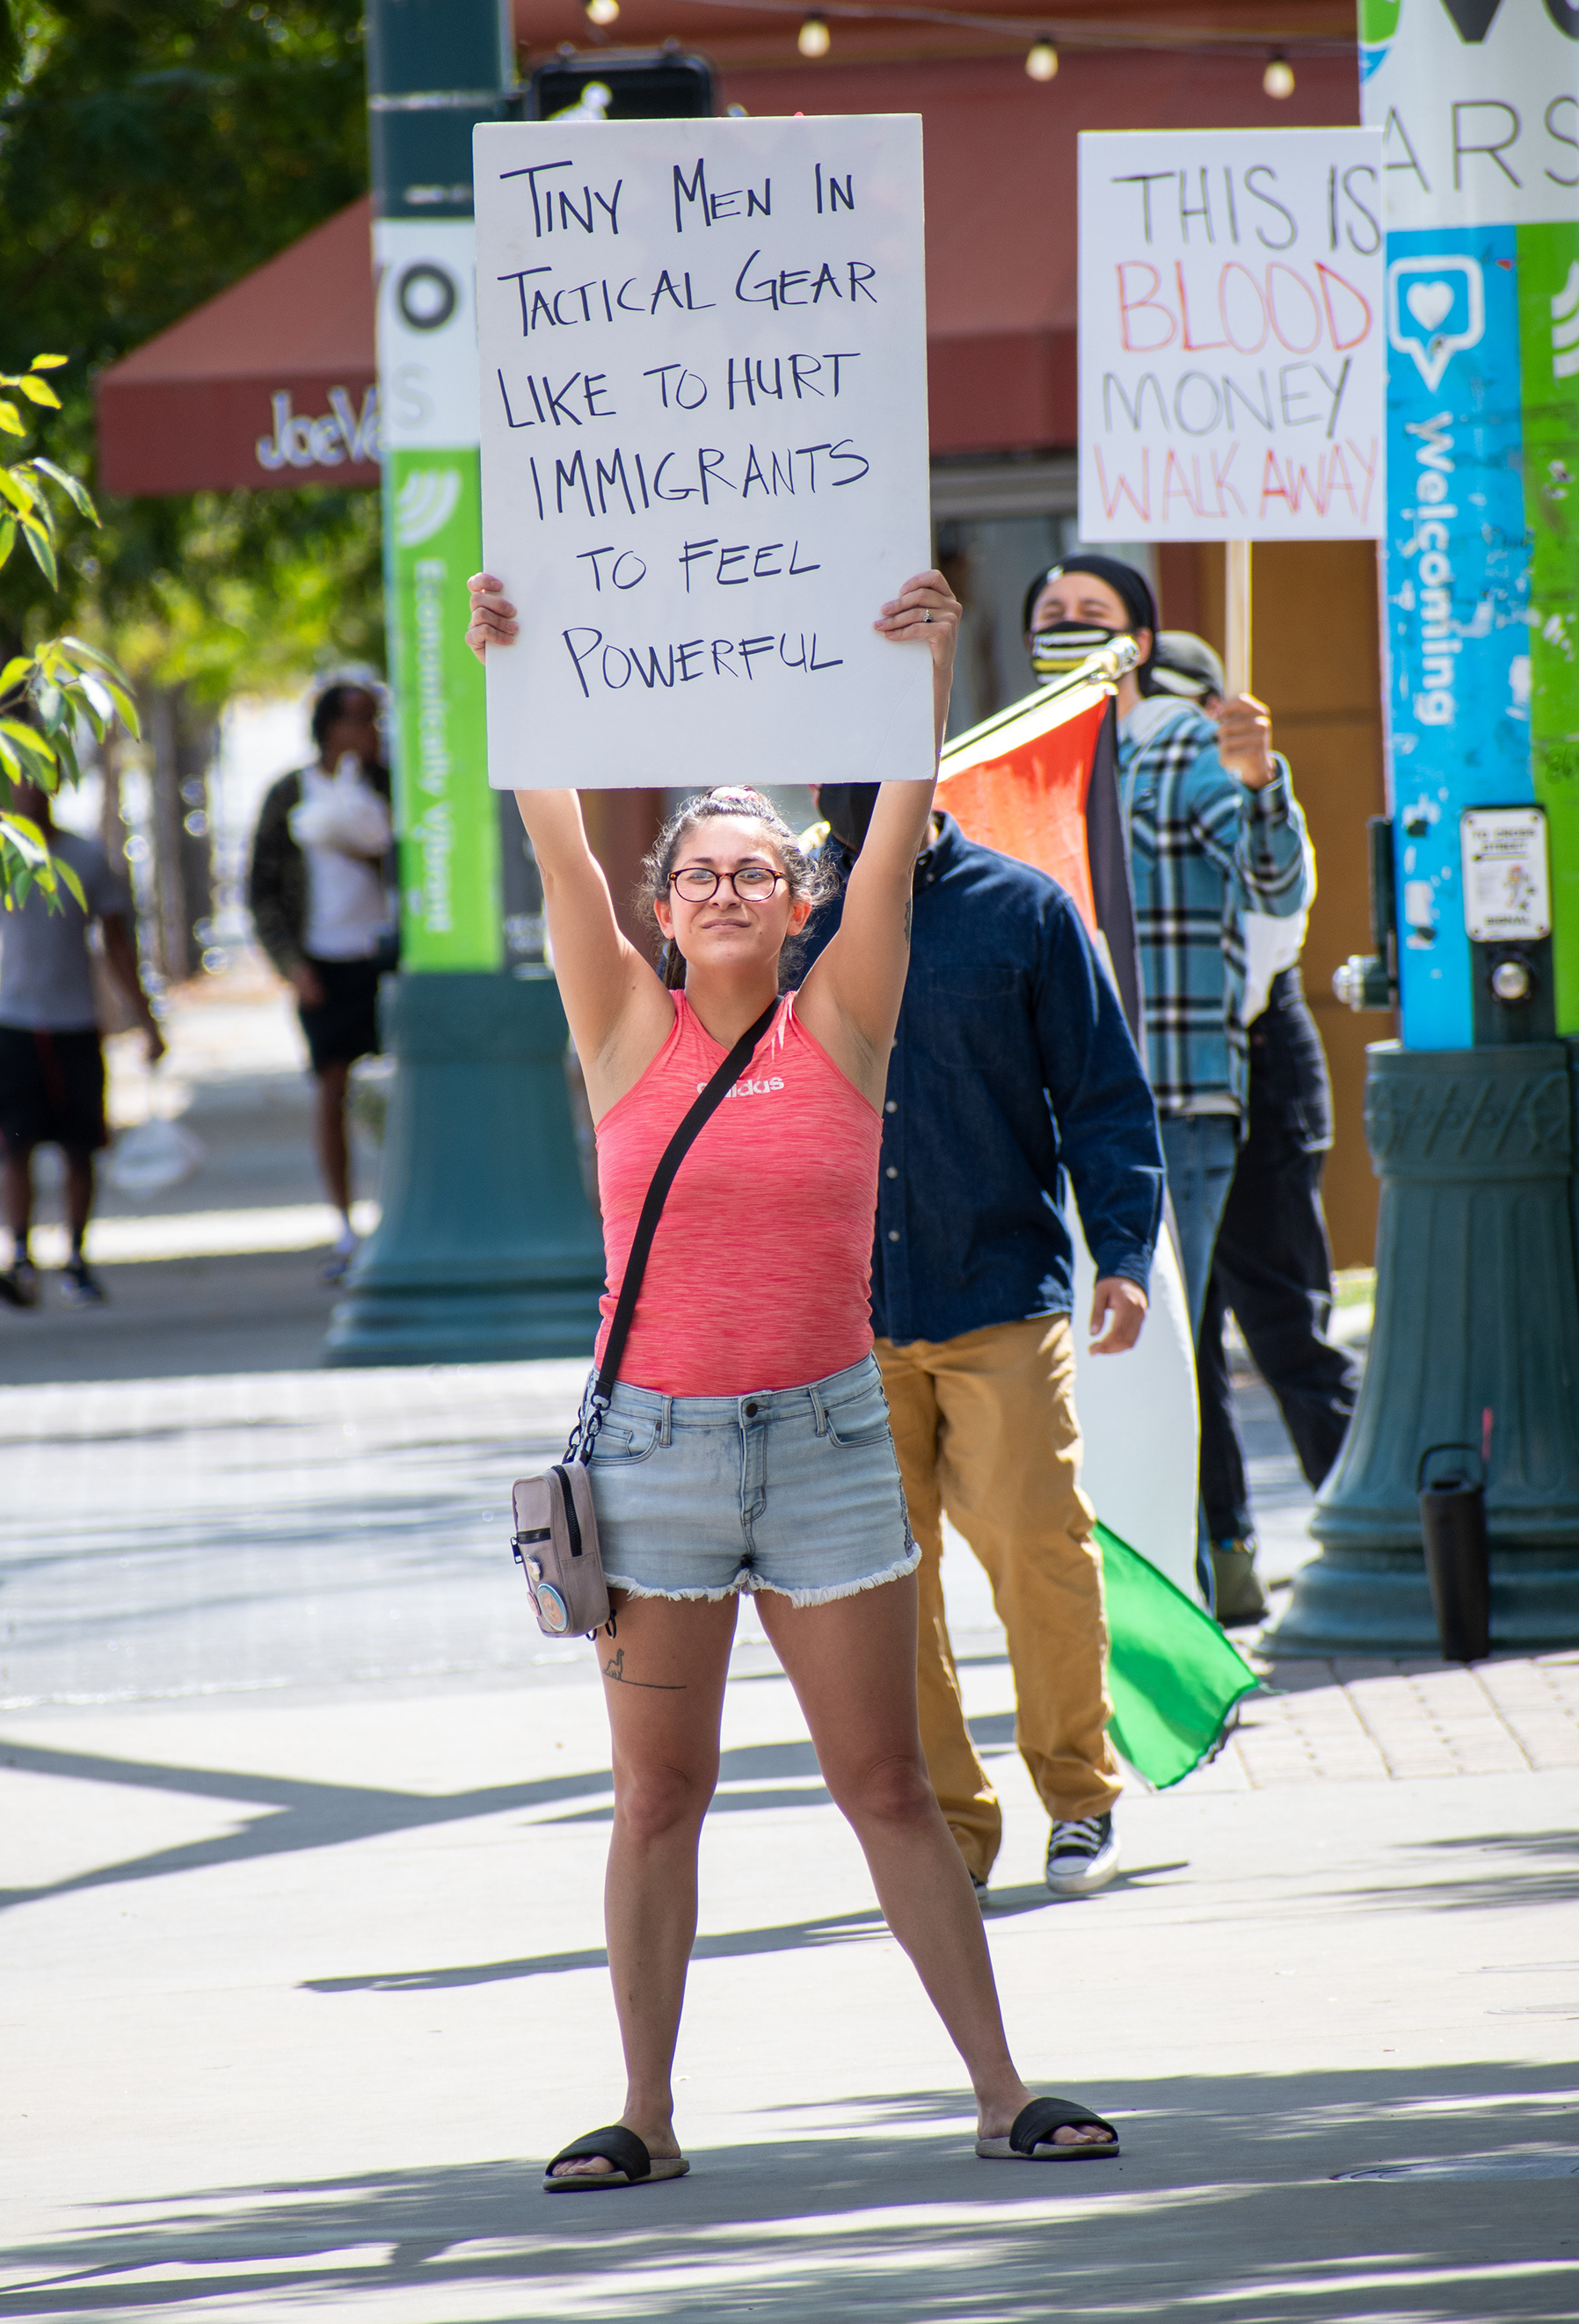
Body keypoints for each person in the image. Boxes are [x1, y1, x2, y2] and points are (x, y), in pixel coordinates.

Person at [466, 563, 1120, 2187]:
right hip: (658, 1460)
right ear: (667, 901)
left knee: (886, 1782)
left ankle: (999, 2091)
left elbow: (900, 836)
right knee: (659, 1797)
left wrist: (924, 664)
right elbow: (554, 844)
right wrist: (512, 671)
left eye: (764, 870)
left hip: (827, 1442)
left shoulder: (846, 1020)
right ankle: (648, 2115)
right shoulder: (623, 1025)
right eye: (706, 872)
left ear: (798, 896)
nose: (736, 890)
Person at [801, 780, 1164, 1901]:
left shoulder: (1024, 911)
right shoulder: (785, 916)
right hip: (840, 1321)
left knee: (1039, 1554)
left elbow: (1102, 1093)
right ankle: (945, 1838)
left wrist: (1123, 1252)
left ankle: (1081, 1800)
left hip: (998, 1293)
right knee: (881, 1597)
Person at [1025, 554, 1312, 1598]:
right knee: (1091, 1365)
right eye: (1049, 614)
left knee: (1156, 1351)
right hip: (1052, 1117)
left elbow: (1269, 873)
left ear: (1138, 643)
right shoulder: (1020, 765)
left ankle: (1173, 1601)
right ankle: (1129, 1595)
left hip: (1172, 1104)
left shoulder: (1184, 746)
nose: (1066, 625)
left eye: (1090, 614)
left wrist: (1259, 784)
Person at [1146, 636, 1362, 1625]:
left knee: (1285, 1321)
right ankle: (1227, 1561)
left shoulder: (1232, 791)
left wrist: (1250, 779)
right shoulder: (1119, 780)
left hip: (1256, 1056)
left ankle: (1367, 1528)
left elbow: (1279, 915)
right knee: (1183, 1348)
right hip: (1168, 1080)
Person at [0, 782, 164, 1307]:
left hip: (76, 1024)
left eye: (36, 787)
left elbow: (116, 945)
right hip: (15, 1023)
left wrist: (145, 1021)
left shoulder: (87, 860)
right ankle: (20, 1257)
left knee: (79, 1147)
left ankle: (76, 1258)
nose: (26, 798)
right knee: (12, 1146)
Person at [249, 677, 393, 1282]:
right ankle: (342, 1220)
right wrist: (291, 965)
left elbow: (409, 858)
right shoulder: (289, 793)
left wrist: (363, 844)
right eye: (358, 718)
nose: (369, 729)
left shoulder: (389, 786)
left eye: (374, 718)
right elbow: (260, 888)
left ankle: (395, 1209)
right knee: (331, 1087)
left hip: (384, 956)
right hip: (323, 961)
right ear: (329, 726)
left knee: (396, 1092)